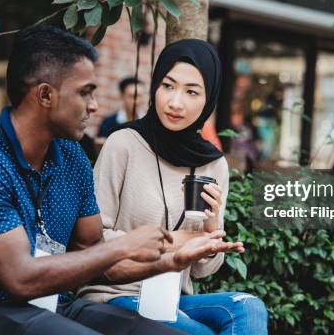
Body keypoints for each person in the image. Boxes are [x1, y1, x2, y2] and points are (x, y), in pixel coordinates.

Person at [0, 25, 241, 335]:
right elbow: (21, 278)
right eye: (85, 92)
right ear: (46, 95)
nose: (94, 105)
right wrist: (124, 246)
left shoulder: (72, 157)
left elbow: (99, 261)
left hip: (53, 305)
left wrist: (169, 262)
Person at [79, 39, 268, 334]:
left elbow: (203, 270)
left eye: (192, 91)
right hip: (114, 295)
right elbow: (92, 238)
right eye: (168, 86)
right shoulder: (124, 143)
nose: (175, 102)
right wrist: (174, 241)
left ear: (209, 99)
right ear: (155, 86)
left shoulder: (213, 165)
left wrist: (212, 228)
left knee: (249, 306)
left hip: (173, 298)